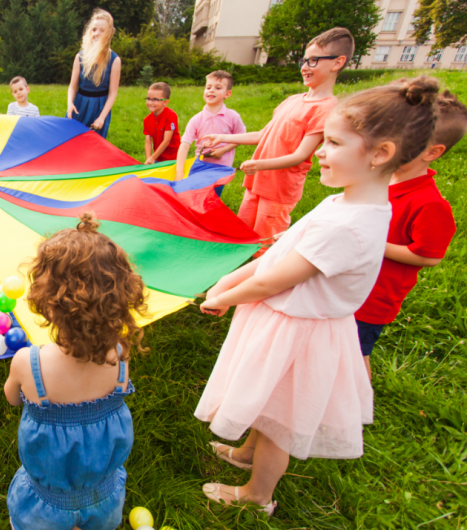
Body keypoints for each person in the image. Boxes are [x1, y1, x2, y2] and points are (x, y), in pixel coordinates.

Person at [195, 77, 440, 515]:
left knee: (279, 424)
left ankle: (256, 495)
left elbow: (277, 280)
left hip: (298, 335)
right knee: (265, 405)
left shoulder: (349, 224)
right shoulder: (348, 204)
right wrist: (229, 283)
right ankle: (248, 451)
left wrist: (225, 296)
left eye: (332, 143)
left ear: (380, 154)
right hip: (290, 322)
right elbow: (283, 252)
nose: (320, 152)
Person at [3, 212, 147, 529]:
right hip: (105, 496)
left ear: (48, 303)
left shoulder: (29, 362)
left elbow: (12, 399)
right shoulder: (120, 355)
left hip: (44, 504)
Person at [201, 27, 353, 256]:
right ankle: (236, 277)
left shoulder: (326, 108)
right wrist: (223, 137)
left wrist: (258, 164)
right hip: (257, 183)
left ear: (337, 63)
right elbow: (264, 134)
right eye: (304, 60)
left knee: (265, 245)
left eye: (313, 61)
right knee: (243, 236)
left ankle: (259, 284)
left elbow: (301, 155)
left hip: (279, 191)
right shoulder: (292, 100)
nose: (304, 67)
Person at [354, 89, 466, 377]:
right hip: (349, 285)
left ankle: (357, 408)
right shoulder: (378, 180)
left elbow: (428, 256)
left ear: (432, 151)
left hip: (373, 299)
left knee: (354, 353)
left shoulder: (429, 204)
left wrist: (375, 244)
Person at [175, 71, 246, 180]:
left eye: (218, 88)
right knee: (198, 195)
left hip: (222, 169)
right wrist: (179, 172)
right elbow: (184, 146)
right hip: (200, 167)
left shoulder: (233, 116)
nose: (211, 90)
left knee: (214, 195)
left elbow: (242, 137)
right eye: (208, 87)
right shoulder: (196, 120)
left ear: (227, 94)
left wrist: (224, 149)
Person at [66, 8, 121, 138]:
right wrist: (70, 104)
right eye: (94, 29)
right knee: (71, 142)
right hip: (79, 105)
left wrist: (102, 117)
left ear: (110, 33)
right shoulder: (80, 56)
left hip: (99, 108)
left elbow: (113, 93)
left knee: (94, 147)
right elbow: (73, 86)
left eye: (102, 30)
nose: (96, 33)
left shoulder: (115, 60)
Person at [143, 82, 180, 166]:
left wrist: (152, 158)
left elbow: (166, 141)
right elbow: (148, 142)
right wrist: (149, 159)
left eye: (155, 99)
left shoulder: (171, 115)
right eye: (148, 98)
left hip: (174, 158)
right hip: (158, 159)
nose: (150, 102)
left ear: (165, 102)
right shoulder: (147, 120)